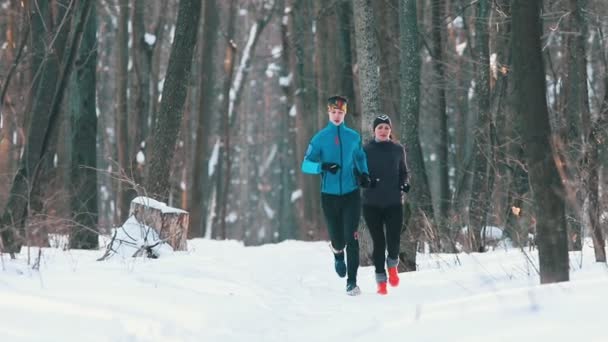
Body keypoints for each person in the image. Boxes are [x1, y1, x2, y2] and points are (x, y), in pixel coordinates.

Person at [301, 95, 371, 296]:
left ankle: (352, 282)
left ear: (345, 113)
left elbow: (360, 158)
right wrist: (322, 166)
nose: (337, 115)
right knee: (339, 240)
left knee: (352, 237)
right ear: (328, 113)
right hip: (329, 196)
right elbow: (305, 164)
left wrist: (364, 174)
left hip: (351, 194)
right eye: (333, 112)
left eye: (340, 112)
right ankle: (337, 252)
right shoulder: (319, 138)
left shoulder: (353, 137)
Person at [361, 114, 410, 295]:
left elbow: (404, 172)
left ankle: (393, 266)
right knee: (379, 243)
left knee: (394, 239)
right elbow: (359, 173)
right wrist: (365, 181)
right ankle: (381, 282)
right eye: (380, 128)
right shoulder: (365, 149)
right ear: (374, 130)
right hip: (371, 204)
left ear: (390, 131)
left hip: (393, 203)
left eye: (386, 128)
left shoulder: (398, 149)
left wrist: (405, 183)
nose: (383, 131)